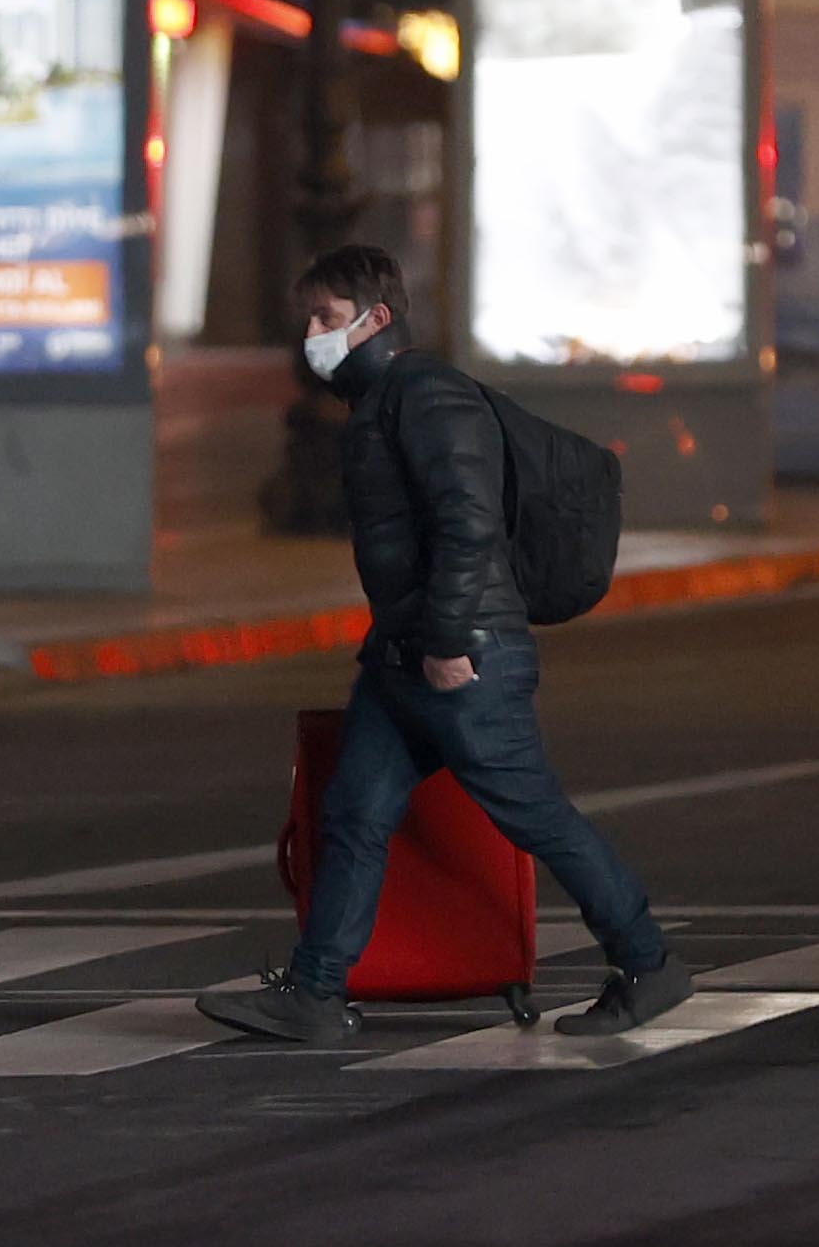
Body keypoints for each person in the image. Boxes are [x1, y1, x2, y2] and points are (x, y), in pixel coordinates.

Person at [197, 243, 689, 1045]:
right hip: (403, 655)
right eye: (309, 319)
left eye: (325, 317)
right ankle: (316, 992)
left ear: (376, 318)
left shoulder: (428, 395)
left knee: (534, 813)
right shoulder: (381, 400)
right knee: (354, 812)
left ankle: (647, 962)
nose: (311, 334)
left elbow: (468, 521)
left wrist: (450, 634)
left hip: (462, 654)